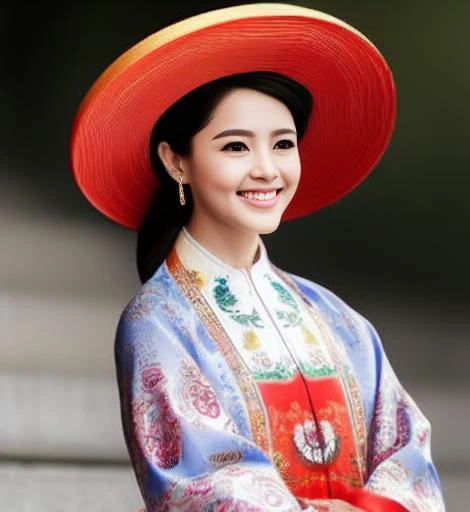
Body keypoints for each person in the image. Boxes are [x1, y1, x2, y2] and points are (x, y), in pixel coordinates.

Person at [70, 4, 445, 511]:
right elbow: (202, 481)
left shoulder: (338, 319)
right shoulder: (159, 322)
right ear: (176, 160)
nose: (267, 170)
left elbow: (408, 451)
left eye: (283, 144)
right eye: (235, 148)